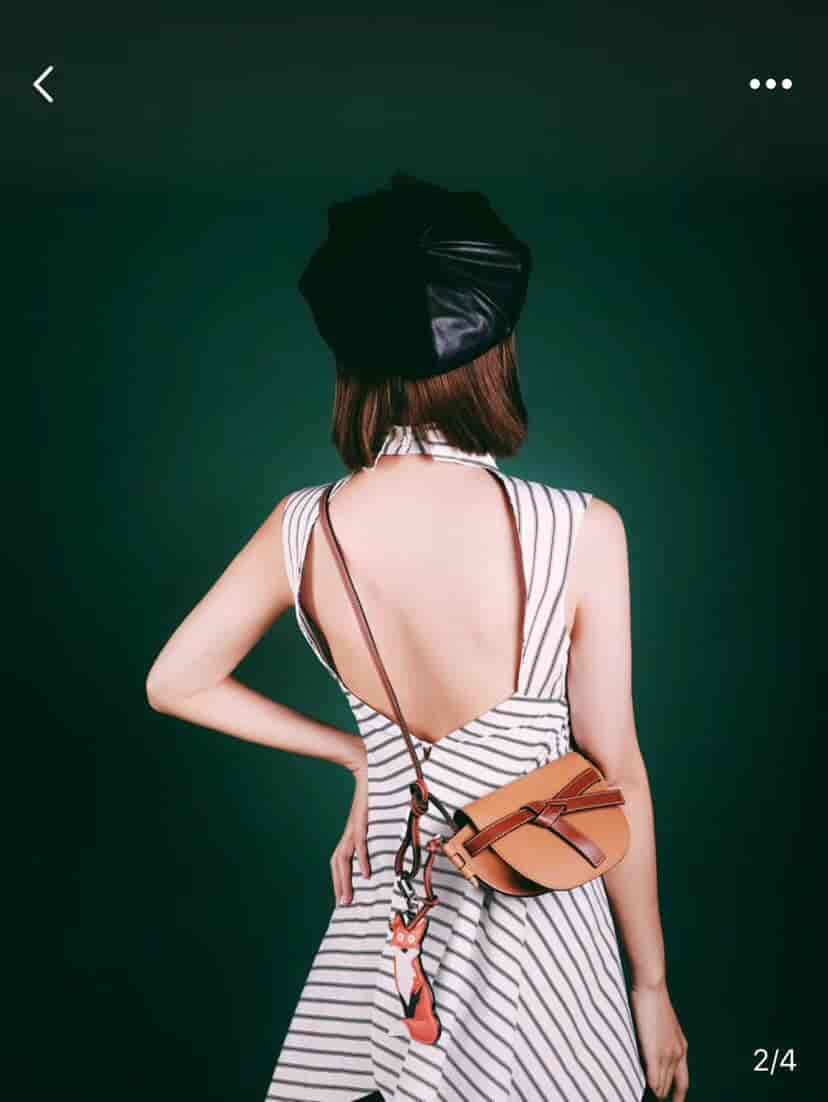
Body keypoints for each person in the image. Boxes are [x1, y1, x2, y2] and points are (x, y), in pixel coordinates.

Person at [146, 173, 689, 1102]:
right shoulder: (580, 528)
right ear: (498, 351)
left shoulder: (305, 527)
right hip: (544, 923)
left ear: (352, 362)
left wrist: (364, 755)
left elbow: (176, 680)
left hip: (391, 922)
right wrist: (652, 986)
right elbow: (616, 774)